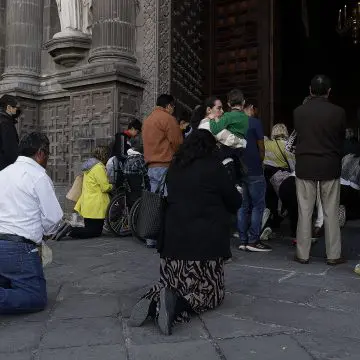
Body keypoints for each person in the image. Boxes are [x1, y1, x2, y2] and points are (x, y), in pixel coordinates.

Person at [129, 130, 242, 335]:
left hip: (172, 245)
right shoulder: (213, 167)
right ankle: (174, 306)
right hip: (202, 248)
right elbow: (234, 200)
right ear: (209, 148)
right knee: (210, 295)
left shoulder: (175, 166)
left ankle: (154, 299)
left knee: (171, 284)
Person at [0, 132, 63, 314]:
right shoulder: (38, 176)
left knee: (9, 285)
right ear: (41, 153)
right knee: (36, 297)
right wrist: (44, 230)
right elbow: (53, 219)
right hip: (19, 249)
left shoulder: (3, 173)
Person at [294, 75, 346, 265]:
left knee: (304, 211)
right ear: (329, 91)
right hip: (329, 165)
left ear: (310, 90)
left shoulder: (299, 112)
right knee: (331, 212)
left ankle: (302, 253)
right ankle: (333, 255)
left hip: (305, 165)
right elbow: (341, 139)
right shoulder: (338, 112)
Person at [142, 94, 183, 247]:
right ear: (169, 106)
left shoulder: (148, 120)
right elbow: (177, 142)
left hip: (151, 166)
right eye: (173, 107)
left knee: (154, 202)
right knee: (168, 202)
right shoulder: (167, 119)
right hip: (165, 165)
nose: (173, 110)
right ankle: (166, 236)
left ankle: (151, 237)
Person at [55, 146, 112, 240]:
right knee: (94, 232)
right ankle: (70, 230)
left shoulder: (89, 167)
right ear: (104, 156)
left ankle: (67, 229)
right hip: (95, 205)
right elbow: (105, 187)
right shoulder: (98, 167)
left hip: (87, 203)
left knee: (89, 229)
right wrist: (112, 186)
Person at [237, 94, 269, 252]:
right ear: (251, 108)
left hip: (240, 169)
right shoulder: (255, 123)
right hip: (255, 169)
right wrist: (260, 160)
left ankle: (242, 239)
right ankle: (253, 240)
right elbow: (261, 147)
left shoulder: (236, 123)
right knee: (258, 205)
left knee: (243, 206)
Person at [107, 119, 143, 186]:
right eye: (137, 132)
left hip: (121, 168)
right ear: (132, 128)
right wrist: (133, 157)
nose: (137, 135)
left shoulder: (127, 138)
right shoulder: (121, 136)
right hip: (117, 169)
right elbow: (121, 154)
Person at [123, 136, 150, 208]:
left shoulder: (127, 158)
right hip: (139, 186)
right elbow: (145, 173)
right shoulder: (140, 159)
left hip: (129, 188)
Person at [0, 95, 21, 171]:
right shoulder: (6, 123)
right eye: (16, 107)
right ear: (8, 108)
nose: (17, 110)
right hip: (4, 168)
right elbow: (10, 149)